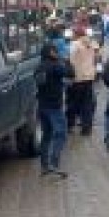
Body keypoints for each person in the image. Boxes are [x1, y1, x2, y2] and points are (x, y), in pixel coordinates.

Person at [35, 43, 71, 178]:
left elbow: (44, 83)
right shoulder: (55, 66)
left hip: (42, 106)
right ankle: (53, 163)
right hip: (54, 106)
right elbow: (70, 72)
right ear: (51, 52)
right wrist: (66, 61)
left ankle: (44, 165)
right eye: (55, 51)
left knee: (46, 135)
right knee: (61, 133)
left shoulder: (39, 67)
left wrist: (61, 83)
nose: (57, 52)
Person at [68, 29, 98, 135]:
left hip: (77, 77)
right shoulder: (92, 43)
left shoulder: (74, 44)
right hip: (89, 77)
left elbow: (70, 59)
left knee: (73, 103)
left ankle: (70, 124)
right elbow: (97, 57)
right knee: (87, 104)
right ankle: (86, 128)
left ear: (76, 34)